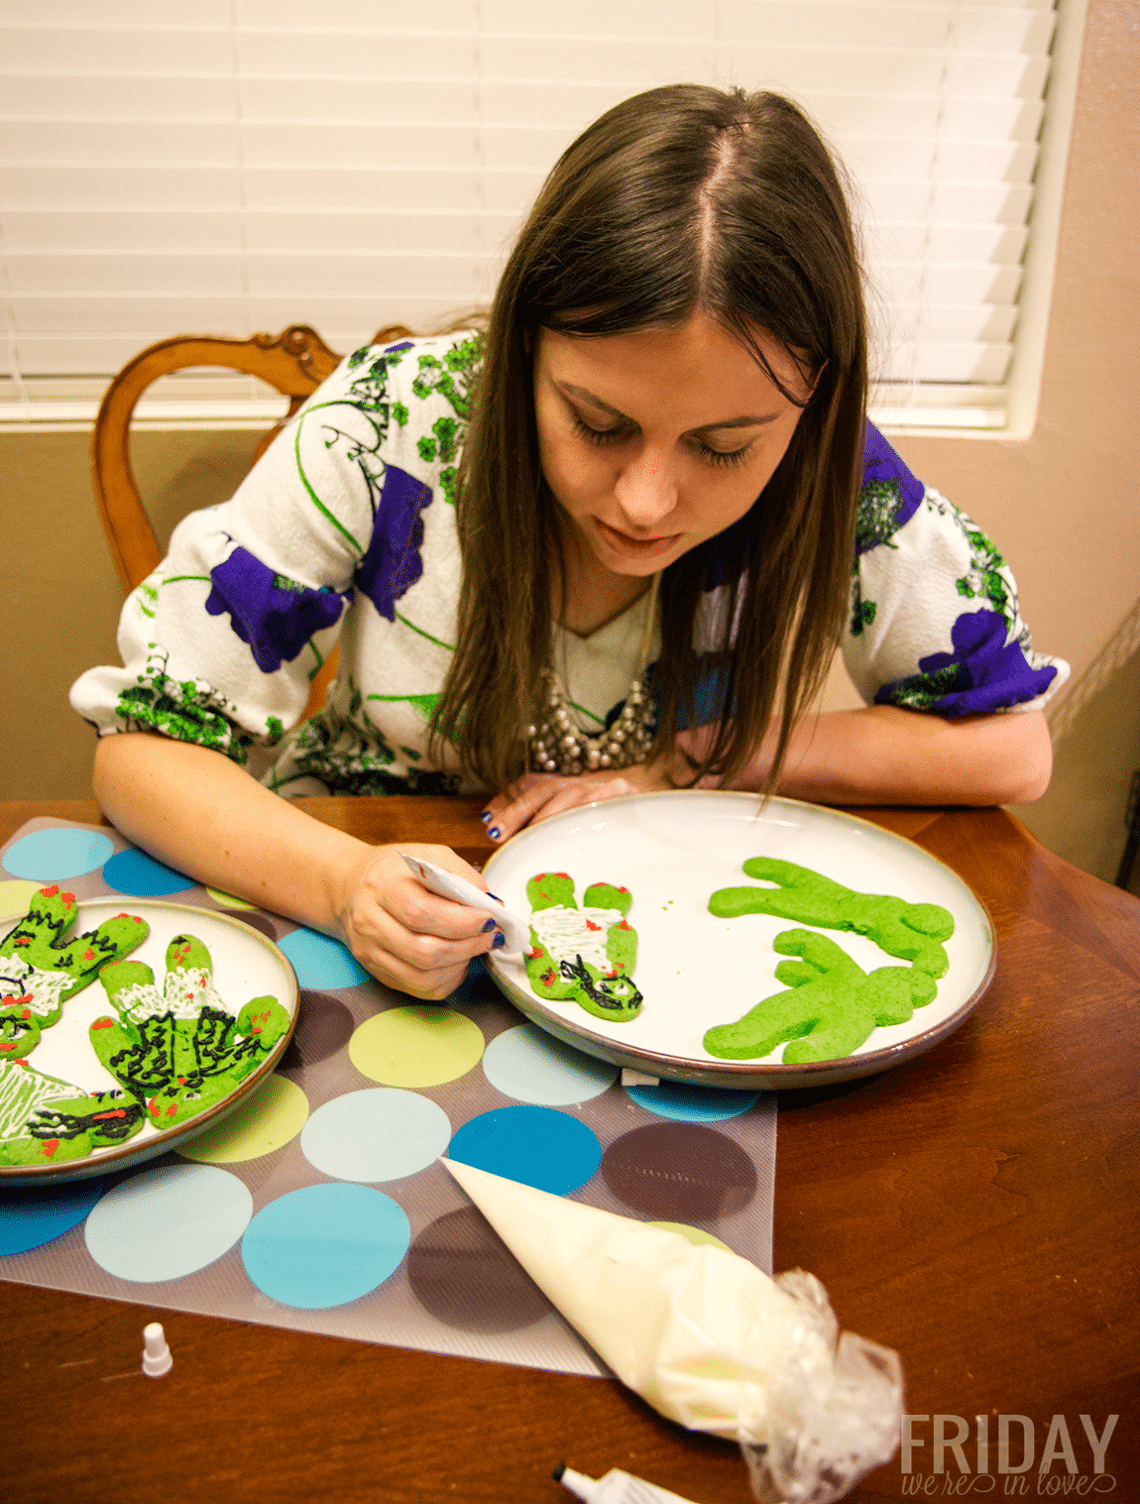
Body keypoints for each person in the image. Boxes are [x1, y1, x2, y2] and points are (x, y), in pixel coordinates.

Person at [72, 85, 1068, 1001]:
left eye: (723, 447)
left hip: (657, 921)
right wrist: (344, 882)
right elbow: (146, 755)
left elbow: (1010, 749)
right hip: (365, 884)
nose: (645, 500)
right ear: (520, 351)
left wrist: (712, 756)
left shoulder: (837, 472)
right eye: (598, 423)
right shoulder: (386, 422)